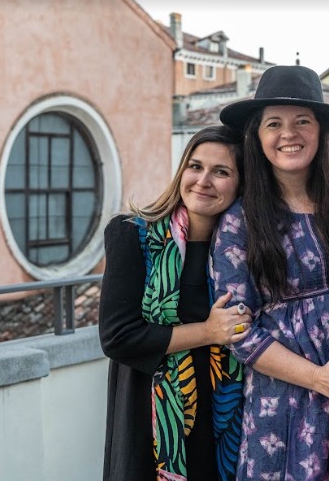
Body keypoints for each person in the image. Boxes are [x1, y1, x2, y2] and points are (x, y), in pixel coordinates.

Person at [213, 65, 329, 480]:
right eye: (274, 124)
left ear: (321, 132)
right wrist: (318, 379)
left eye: (302, 121)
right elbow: (238, 332)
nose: (289, 134)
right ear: (257, 136)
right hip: (283, 398)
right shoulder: (240, 221)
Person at [99, 125, 251, 481]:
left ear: (241, 185)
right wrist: (209, 331)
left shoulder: (241, 255)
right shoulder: (133, 234)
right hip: (149, 423)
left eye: (222, 171)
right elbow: (117, 337)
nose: (204, 180)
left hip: (220, 422)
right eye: (195, 166)